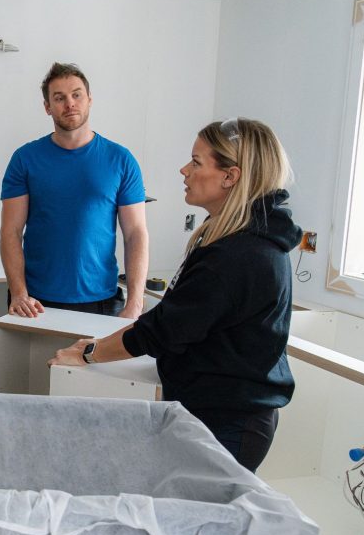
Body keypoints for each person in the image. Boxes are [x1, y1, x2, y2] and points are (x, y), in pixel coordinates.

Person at [48, 117, 302, 472]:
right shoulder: (239, 242)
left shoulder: (240, 255)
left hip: (228, 423)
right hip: (217, 412)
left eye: (197, 163)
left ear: (230, 176)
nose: (184, 170)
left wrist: (90, 354)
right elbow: (178, 320)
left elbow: (164, 329)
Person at [1, 62, 149, 319]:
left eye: (76, 95)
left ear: (89, 100)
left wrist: (135, 303)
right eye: (59, 98)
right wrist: (18, 292)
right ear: (47, 107)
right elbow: (11, 232)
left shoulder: (121, 160)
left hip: (101, 300)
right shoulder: (25, 159)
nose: (70, 103)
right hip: (35, 303)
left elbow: (135, 233)